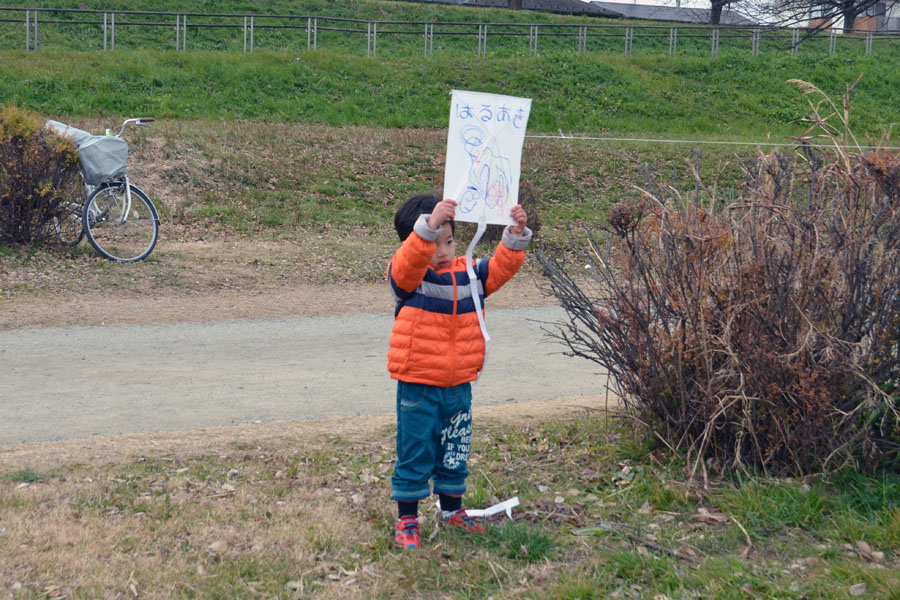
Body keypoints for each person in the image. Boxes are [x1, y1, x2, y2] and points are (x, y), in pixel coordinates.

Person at [386, 193, 533, 549]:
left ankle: (453, 511)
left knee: (454, 449)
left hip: (459, 385)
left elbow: (500, 268)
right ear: (415, 242)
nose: (444, 251)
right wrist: (429, 228)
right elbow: (407, 264)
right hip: (418, 384)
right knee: (416, 450)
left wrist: (514, 235)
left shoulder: (470, 274)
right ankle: (407, 519)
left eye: (449, 241)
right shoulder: (408, 279)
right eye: (433, 243)